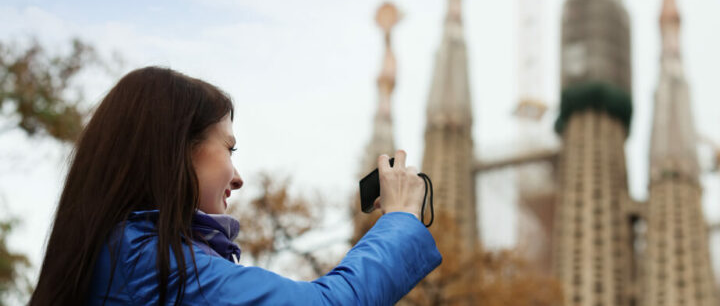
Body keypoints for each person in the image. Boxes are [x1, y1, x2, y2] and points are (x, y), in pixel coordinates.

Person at [29, 67, 441, 305]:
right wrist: (401, 218)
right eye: (229, 148)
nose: (239, 177)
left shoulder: (124, 255)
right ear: (175, 152)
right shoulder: (153, 265)